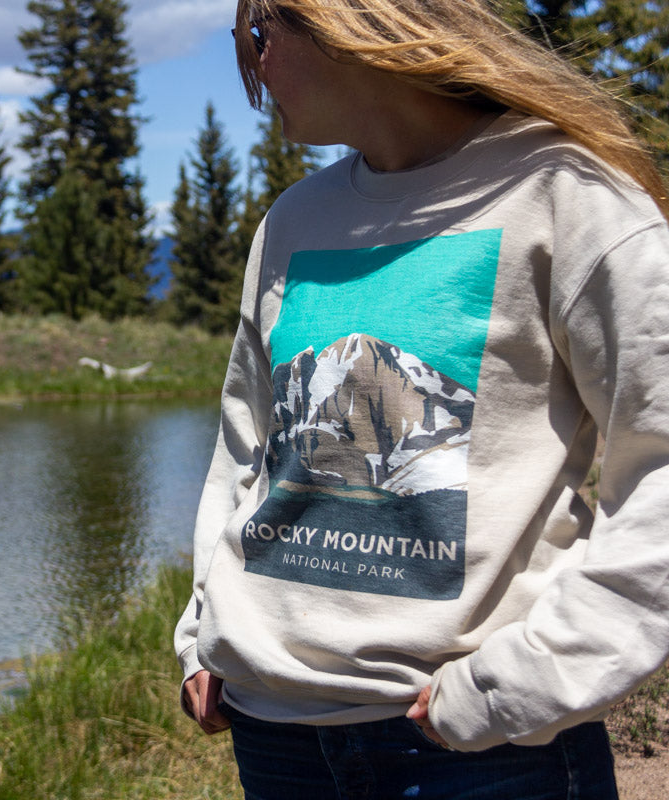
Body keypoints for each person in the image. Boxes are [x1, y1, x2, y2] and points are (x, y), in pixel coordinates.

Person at [175, 0, 669, 797]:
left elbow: (660, 471)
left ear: (344, 22)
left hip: (480, 752)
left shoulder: (568, 196)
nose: (254, 74)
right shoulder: (296, 220)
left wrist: (525, 683)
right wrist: (203, 637)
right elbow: (245, 448)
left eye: (260, 38)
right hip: (277, 741)